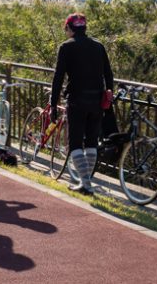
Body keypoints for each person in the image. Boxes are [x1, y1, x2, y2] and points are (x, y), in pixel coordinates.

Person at [49, 13, 113, 195]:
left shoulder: (66, 47)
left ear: (70, 29)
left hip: (77, 100)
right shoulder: (98, 46)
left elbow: (58, 77)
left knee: (75, 143)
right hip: (97, 101)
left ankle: (85, 184)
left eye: (65, 29)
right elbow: (108, 74)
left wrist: (53, 104)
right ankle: (86, 182)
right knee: (91, 142)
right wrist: (109, 94)